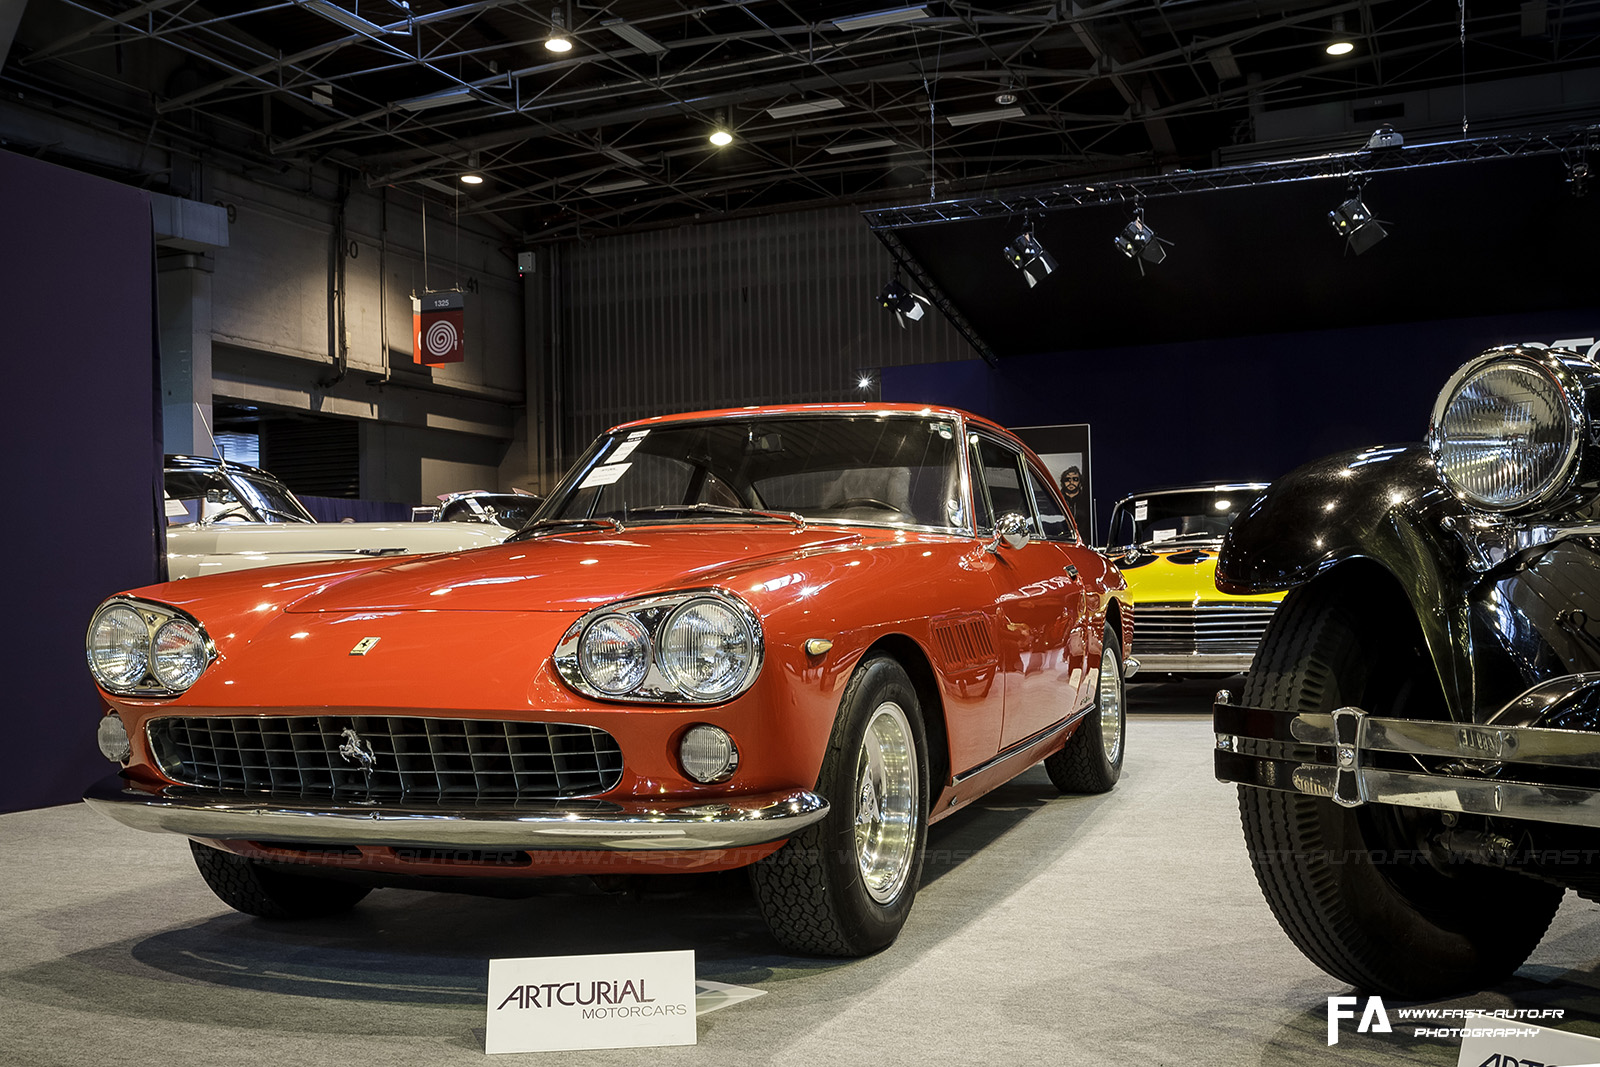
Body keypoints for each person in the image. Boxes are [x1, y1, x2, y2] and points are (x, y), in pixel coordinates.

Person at [1059, 465, 1090, 541]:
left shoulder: (1086, 501)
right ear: (1063, 482)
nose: (1071, 482)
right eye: (1067, 479)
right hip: (1062, 540)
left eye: (1075, 479)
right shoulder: (1058, 500)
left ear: (1080, 482)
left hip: (1083, 542)